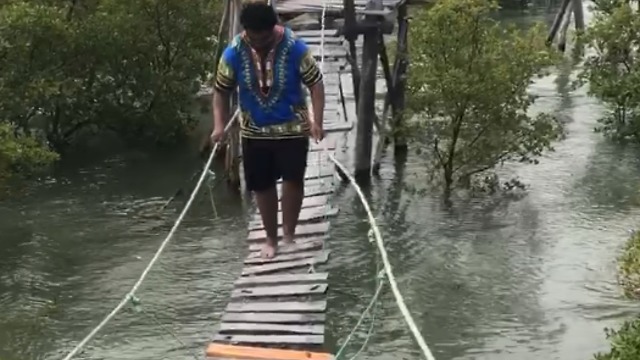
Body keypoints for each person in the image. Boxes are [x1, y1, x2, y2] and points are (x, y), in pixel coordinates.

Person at [210, 0, 325, 259]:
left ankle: (289, 236)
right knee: (262, 185)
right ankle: (271, 240)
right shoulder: (234, 52)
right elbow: (221, 92)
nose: (259, 44)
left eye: (264, 38)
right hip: (254, 131)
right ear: (246, 31)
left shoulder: (295, 48)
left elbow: (316, 85)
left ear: (274, 29)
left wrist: (317, 121)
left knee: (293, 180)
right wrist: (219, 125)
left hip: (293, 128)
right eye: (254, 38)